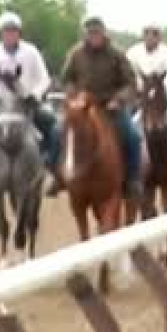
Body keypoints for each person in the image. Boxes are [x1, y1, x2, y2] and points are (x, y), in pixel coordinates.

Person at [46, 16, 142, 200]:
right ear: (85, 35)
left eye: (97, 32)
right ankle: (56, 176)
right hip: (83, 107)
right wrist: (74, 95)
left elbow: (131, 82)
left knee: (133, 136)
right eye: (90, 33)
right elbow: (65, 79)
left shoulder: (116, 54)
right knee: (57, 131)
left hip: (110, 107)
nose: (94, 36)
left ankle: (132, 179)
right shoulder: (76, 54)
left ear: (104, 33)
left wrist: (119, 99)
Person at [0, 11, 57, 169]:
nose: (10, 34)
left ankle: (49, 155)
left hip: (28, 100)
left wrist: (34, 94)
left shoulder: (31, 52)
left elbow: (44, 78)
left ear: (19, 33)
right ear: (1, 34)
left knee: (51, 122)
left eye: (13, 31)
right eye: (6, 31)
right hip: (2, 101)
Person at [126, 22, 167, 141]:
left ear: (160, 37)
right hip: (139, 92)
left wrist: (162, 87)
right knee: (127, 110)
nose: (151, 37)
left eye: (155, 34)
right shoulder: (133, 52)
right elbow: (129, 72)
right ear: (143, 36)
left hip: (163, 91)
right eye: (147, 33)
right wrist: (141, 87)